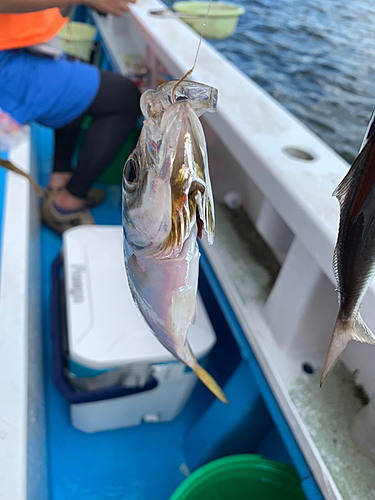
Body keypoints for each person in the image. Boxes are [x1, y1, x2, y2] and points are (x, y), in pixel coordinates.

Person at [0, 0, 141, 233]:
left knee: (76, 69)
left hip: (16, 46)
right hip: (6, 64)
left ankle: (60, 180)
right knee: (124, 98)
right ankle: (66, 206)